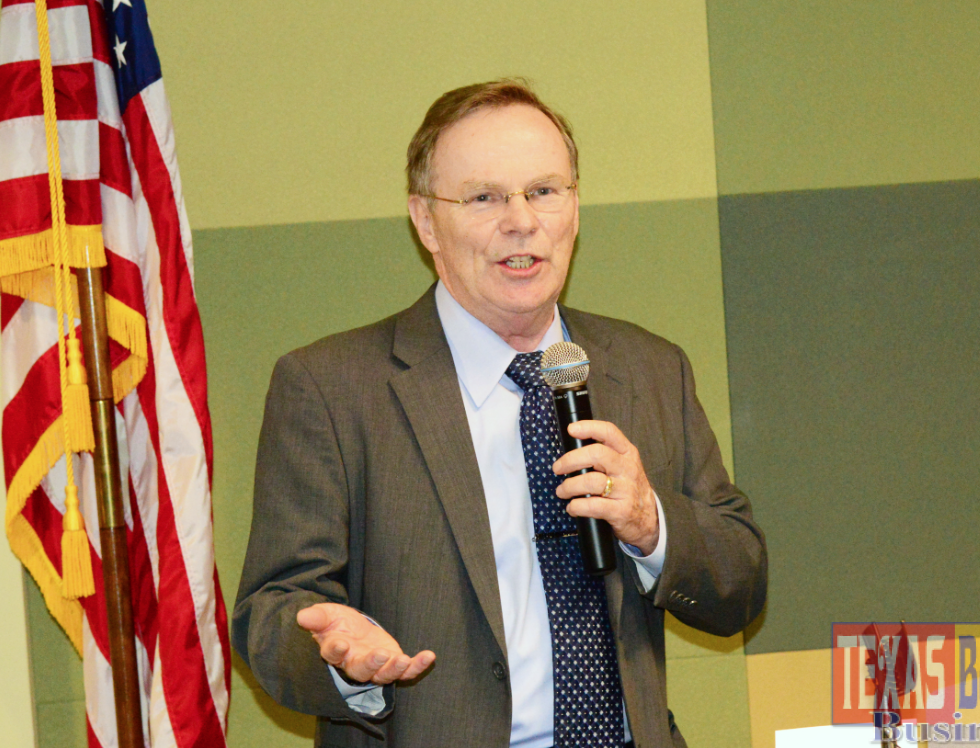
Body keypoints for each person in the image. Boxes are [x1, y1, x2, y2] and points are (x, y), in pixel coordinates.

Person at [233, 79, 767, 748]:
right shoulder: (333, 388)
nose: (521, 221)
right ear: (426, 221)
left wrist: (651, 524)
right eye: (484, 197)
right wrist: (339, 657)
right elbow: (270, 613)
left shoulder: (648, 368)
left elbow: (738, 586)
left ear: (573, 204)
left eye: (543, 191)